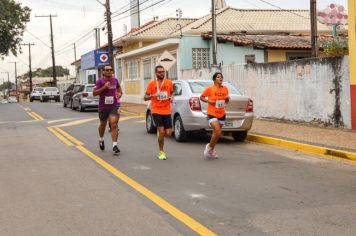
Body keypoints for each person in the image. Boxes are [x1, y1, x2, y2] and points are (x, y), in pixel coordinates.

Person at [144, 65, 173, 160]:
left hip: (167, 110)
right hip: (156, 110)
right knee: (161, 131)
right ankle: (161, 152)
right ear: (156, 73)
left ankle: (159, 133)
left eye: (163, 72)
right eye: (159, 72)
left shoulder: (169, 82)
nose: (161, 73)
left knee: (168, 133)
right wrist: (153, 95)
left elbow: (172, 93)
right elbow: (145, 97)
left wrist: (172, 97)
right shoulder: (152, 84)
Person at [200, 72, 230, 159]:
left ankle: (211, 150)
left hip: (221, 113)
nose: (220, 78)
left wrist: (227, 99)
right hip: (212, 113)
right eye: (218, 77)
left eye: (221, 77)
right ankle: (209, 148)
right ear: (214, 80)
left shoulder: (225, 89)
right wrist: (210, 101)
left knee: (216, 134)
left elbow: (226, 102)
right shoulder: (210, 89)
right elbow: (201, 97)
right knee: (218, 131)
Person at [93, 65, 122, 154]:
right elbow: (94, 93)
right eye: (107, 70)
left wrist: (120, 94)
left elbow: (119, 89)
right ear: (104, 72)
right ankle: (101, 139)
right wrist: (104, 87)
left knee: (113, 124)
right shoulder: (99, 81)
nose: (109, 71)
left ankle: (115, 145)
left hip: (113, 106)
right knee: (103, 125)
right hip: (103, 107)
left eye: (110, 70)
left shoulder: (115, 80)